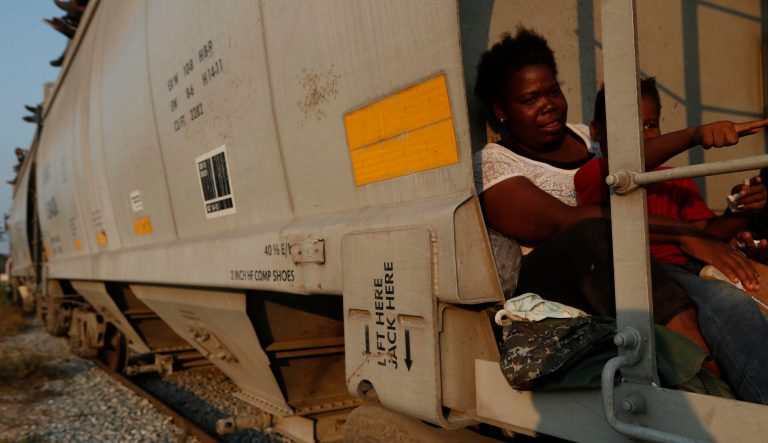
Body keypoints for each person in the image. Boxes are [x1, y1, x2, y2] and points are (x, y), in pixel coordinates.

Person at [473, 27, 768, 404]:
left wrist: (696, 136)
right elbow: (566, 221)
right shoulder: (494, 164)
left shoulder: (587, 138)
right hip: (564, 275)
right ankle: (704, 380)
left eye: (552, 91)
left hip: (635, 259)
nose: (547, 104)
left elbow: (637, 160)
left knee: (732, 300)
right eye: (530, 98)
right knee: (592, 232)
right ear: (501, 111)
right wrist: (682, 233)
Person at [574, 79, 768, 403]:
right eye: (626, 124)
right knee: (733, 308)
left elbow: (707, 234)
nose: (640, 135)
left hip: (694, 267)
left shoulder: (672, 176)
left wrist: (739, 209)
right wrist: (696, 135)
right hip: (655, 272)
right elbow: (619, 195)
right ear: (596, 131)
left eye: (650, 125)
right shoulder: (594, 174)